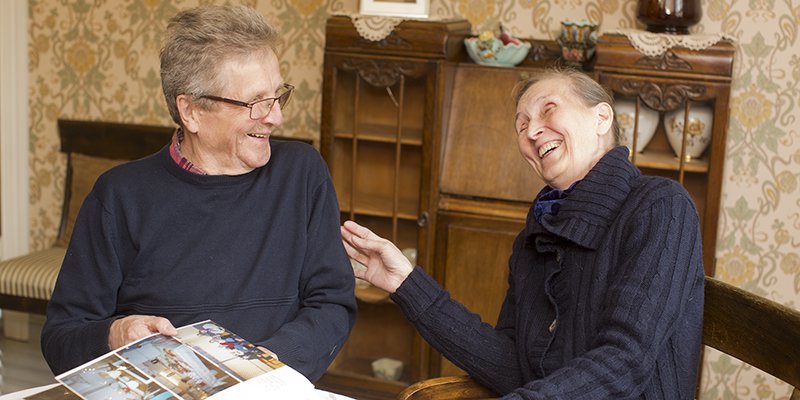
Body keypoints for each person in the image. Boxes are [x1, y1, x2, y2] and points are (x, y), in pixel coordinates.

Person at [341, 68, 705, 398]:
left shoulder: (660, 206)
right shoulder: (537, 235)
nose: (532, 131)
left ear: (601, 117)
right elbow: (512, 366)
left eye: (548, 110)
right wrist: (406, 283)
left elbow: (625, 360)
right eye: (521, 125)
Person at [41, 5, 356, 382]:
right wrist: (115, 334)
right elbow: (61, 337)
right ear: (190, 111)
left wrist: (261, 369)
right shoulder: (119, 196)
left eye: (277, 96)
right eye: (256, 103)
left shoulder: (302, 174)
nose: (275, 117)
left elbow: (332, 304)